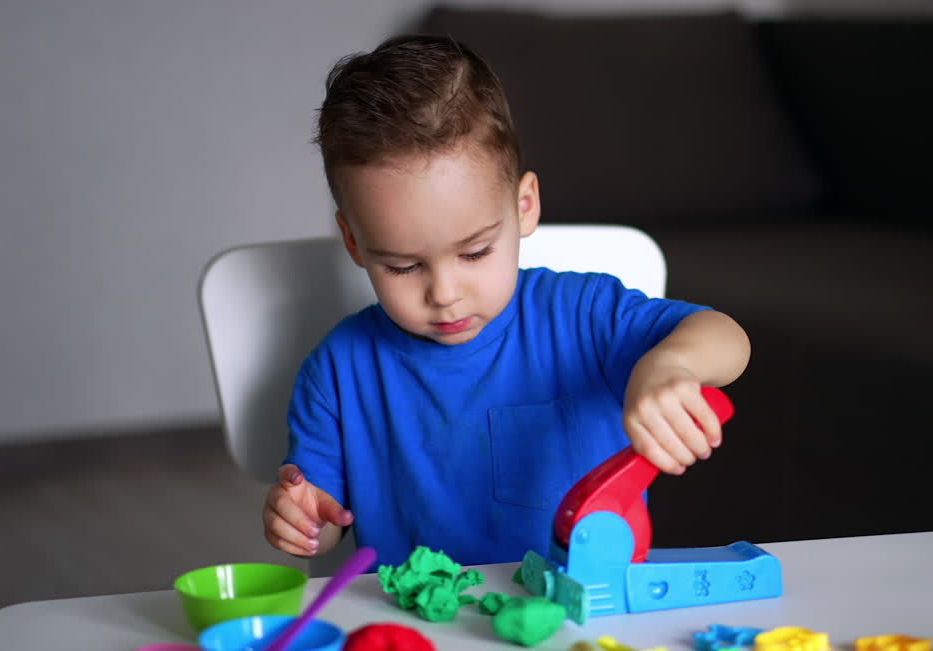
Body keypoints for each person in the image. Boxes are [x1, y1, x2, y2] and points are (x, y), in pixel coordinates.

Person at [262, 35, 750, 568]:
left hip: (581, 623)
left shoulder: (582, 317)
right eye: (403, 266)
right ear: (354, 242)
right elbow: (327, 517)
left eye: (474, 253)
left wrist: (670, 364)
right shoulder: (338, 369)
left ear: (524, 207)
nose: (444, 294)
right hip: (419, 628)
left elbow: (729, 339)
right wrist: (304, 516)